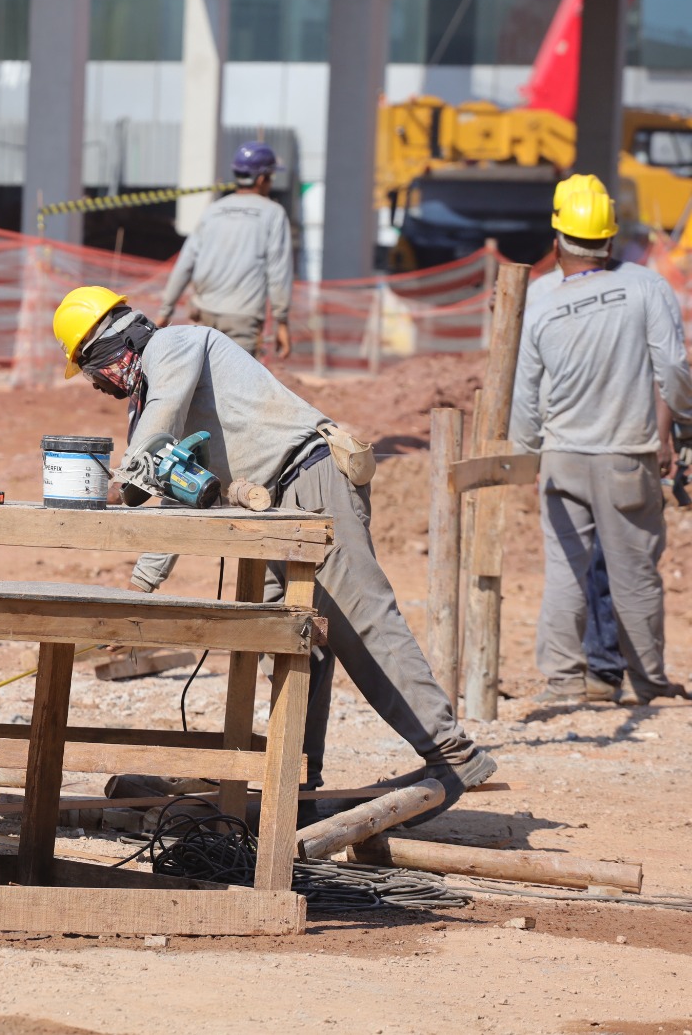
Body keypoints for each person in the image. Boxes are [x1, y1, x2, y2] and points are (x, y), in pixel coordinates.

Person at [51, 285, 496, 819]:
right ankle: (298, 782)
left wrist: (122, 478)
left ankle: (451, 752)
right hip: (267, 510)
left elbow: (159, 430)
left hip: (309, 480)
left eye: (90, 370)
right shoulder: (149, 403)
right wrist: (141, 587)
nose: (97, 385)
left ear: (108, 350)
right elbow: (171, 493)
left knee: (363, 620)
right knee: (288, 642)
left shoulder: (175, 346)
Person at [509, 182, 692, 707]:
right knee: (634, 571)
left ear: (559, 236)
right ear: (610, 240)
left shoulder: (541, 298)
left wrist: (527, 451)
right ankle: (647, 683)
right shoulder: (645, 286)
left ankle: (564, 683)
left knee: (566, 570)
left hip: (561, 457)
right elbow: (673, 369)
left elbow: (524, 391)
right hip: (626, 457)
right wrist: (683, 418)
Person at [156, 141, 293, 359]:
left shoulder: (213, 211)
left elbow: (185, 263)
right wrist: (282, 322)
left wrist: (166, 310)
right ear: (260, 178)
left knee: (204, 379)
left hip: (204, 314)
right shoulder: (273, 213)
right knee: (237, 385)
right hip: (242, 318)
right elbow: (278, 272)